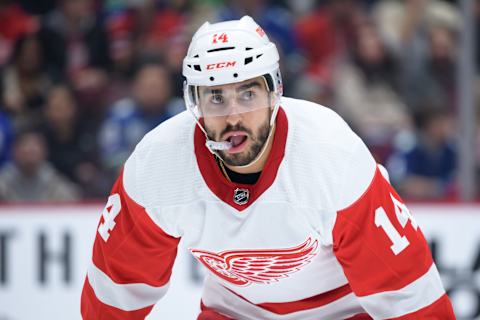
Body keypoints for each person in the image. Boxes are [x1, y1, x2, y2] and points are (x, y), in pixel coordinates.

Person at [81, 16, 455, 319]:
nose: (233, 116)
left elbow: (410, 298)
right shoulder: (158, 166)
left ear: (274, 91)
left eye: (247, 93)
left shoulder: (330, 154)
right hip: (233, 311)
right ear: (193, 104)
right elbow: (114, 296)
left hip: (345, 310)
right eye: (215, 97)